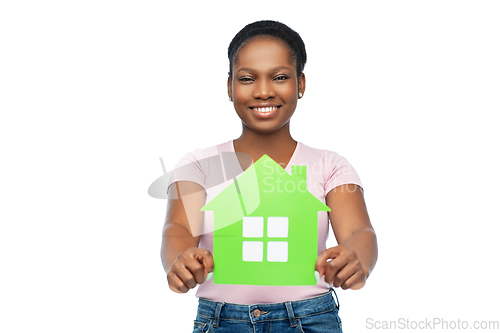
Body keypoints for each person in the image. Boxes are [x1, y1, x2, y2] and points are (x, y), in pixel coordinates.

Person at [162, 20, 377, 332]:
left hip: (311, 319)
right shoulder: (199, 163)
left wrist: (358, 259)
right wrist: (179, 260)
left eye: (279, 77)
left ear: (300, 84)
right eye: (247, 78)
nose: (263, 91)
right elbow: (178, 226)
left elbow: (359, 230)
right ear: (229, 86)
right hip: (222, 321)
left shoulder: (329, 165)